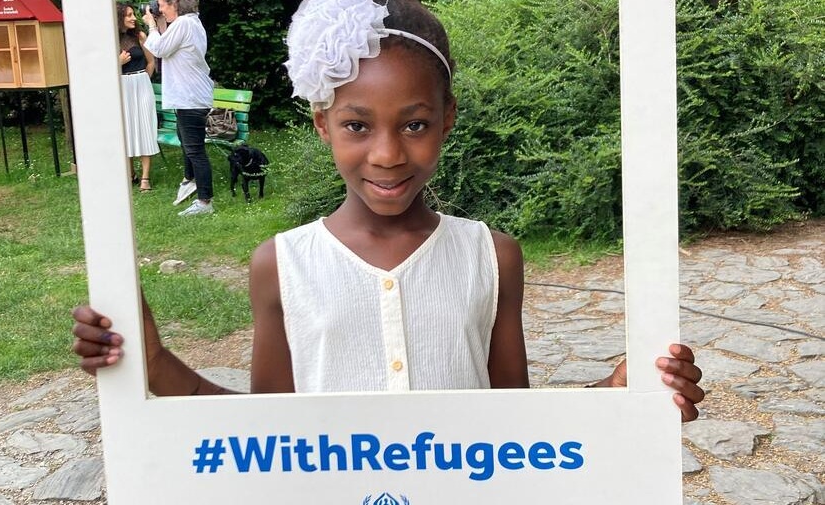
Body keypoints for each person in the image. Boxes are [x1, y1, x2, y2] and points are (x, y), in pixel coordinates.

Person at [73, 0, 704, 420]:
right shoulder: (282, 265)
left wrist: (623, 397)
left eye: (416, 123)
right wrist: (153, 362)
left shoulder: (492, 257)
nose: (386, 154)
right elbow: (262, 441)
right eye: (356, 125)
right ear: (323, 124)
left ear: (447, 119)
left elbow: (517, 431)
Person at [142, 0, 215, 216]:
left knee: (195, 150)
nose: (161, 10)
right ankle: (189, 181)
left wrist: (152, 26)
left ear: (176, 4)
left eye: (163, 5)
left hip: (190, 97)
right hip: (190, 96)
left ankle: (205, 202)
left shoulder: (184, 23)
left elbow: (159, 48)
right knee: (187, 144)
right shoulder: (190, 23)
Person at [118, 3, 159, 193]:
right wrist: (117, 64)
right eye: (128, 15)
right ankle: (129, 173)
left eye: (133, 14)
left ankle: (145, 177)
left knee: (144, 127)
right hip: (121, 87)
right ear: (119, 18)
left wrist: (143, 80)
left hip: (141, 85)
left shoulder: (140, 36)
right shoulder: (110, 40)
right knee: (126, 130)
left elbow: (151, 62)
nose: (133, 18)